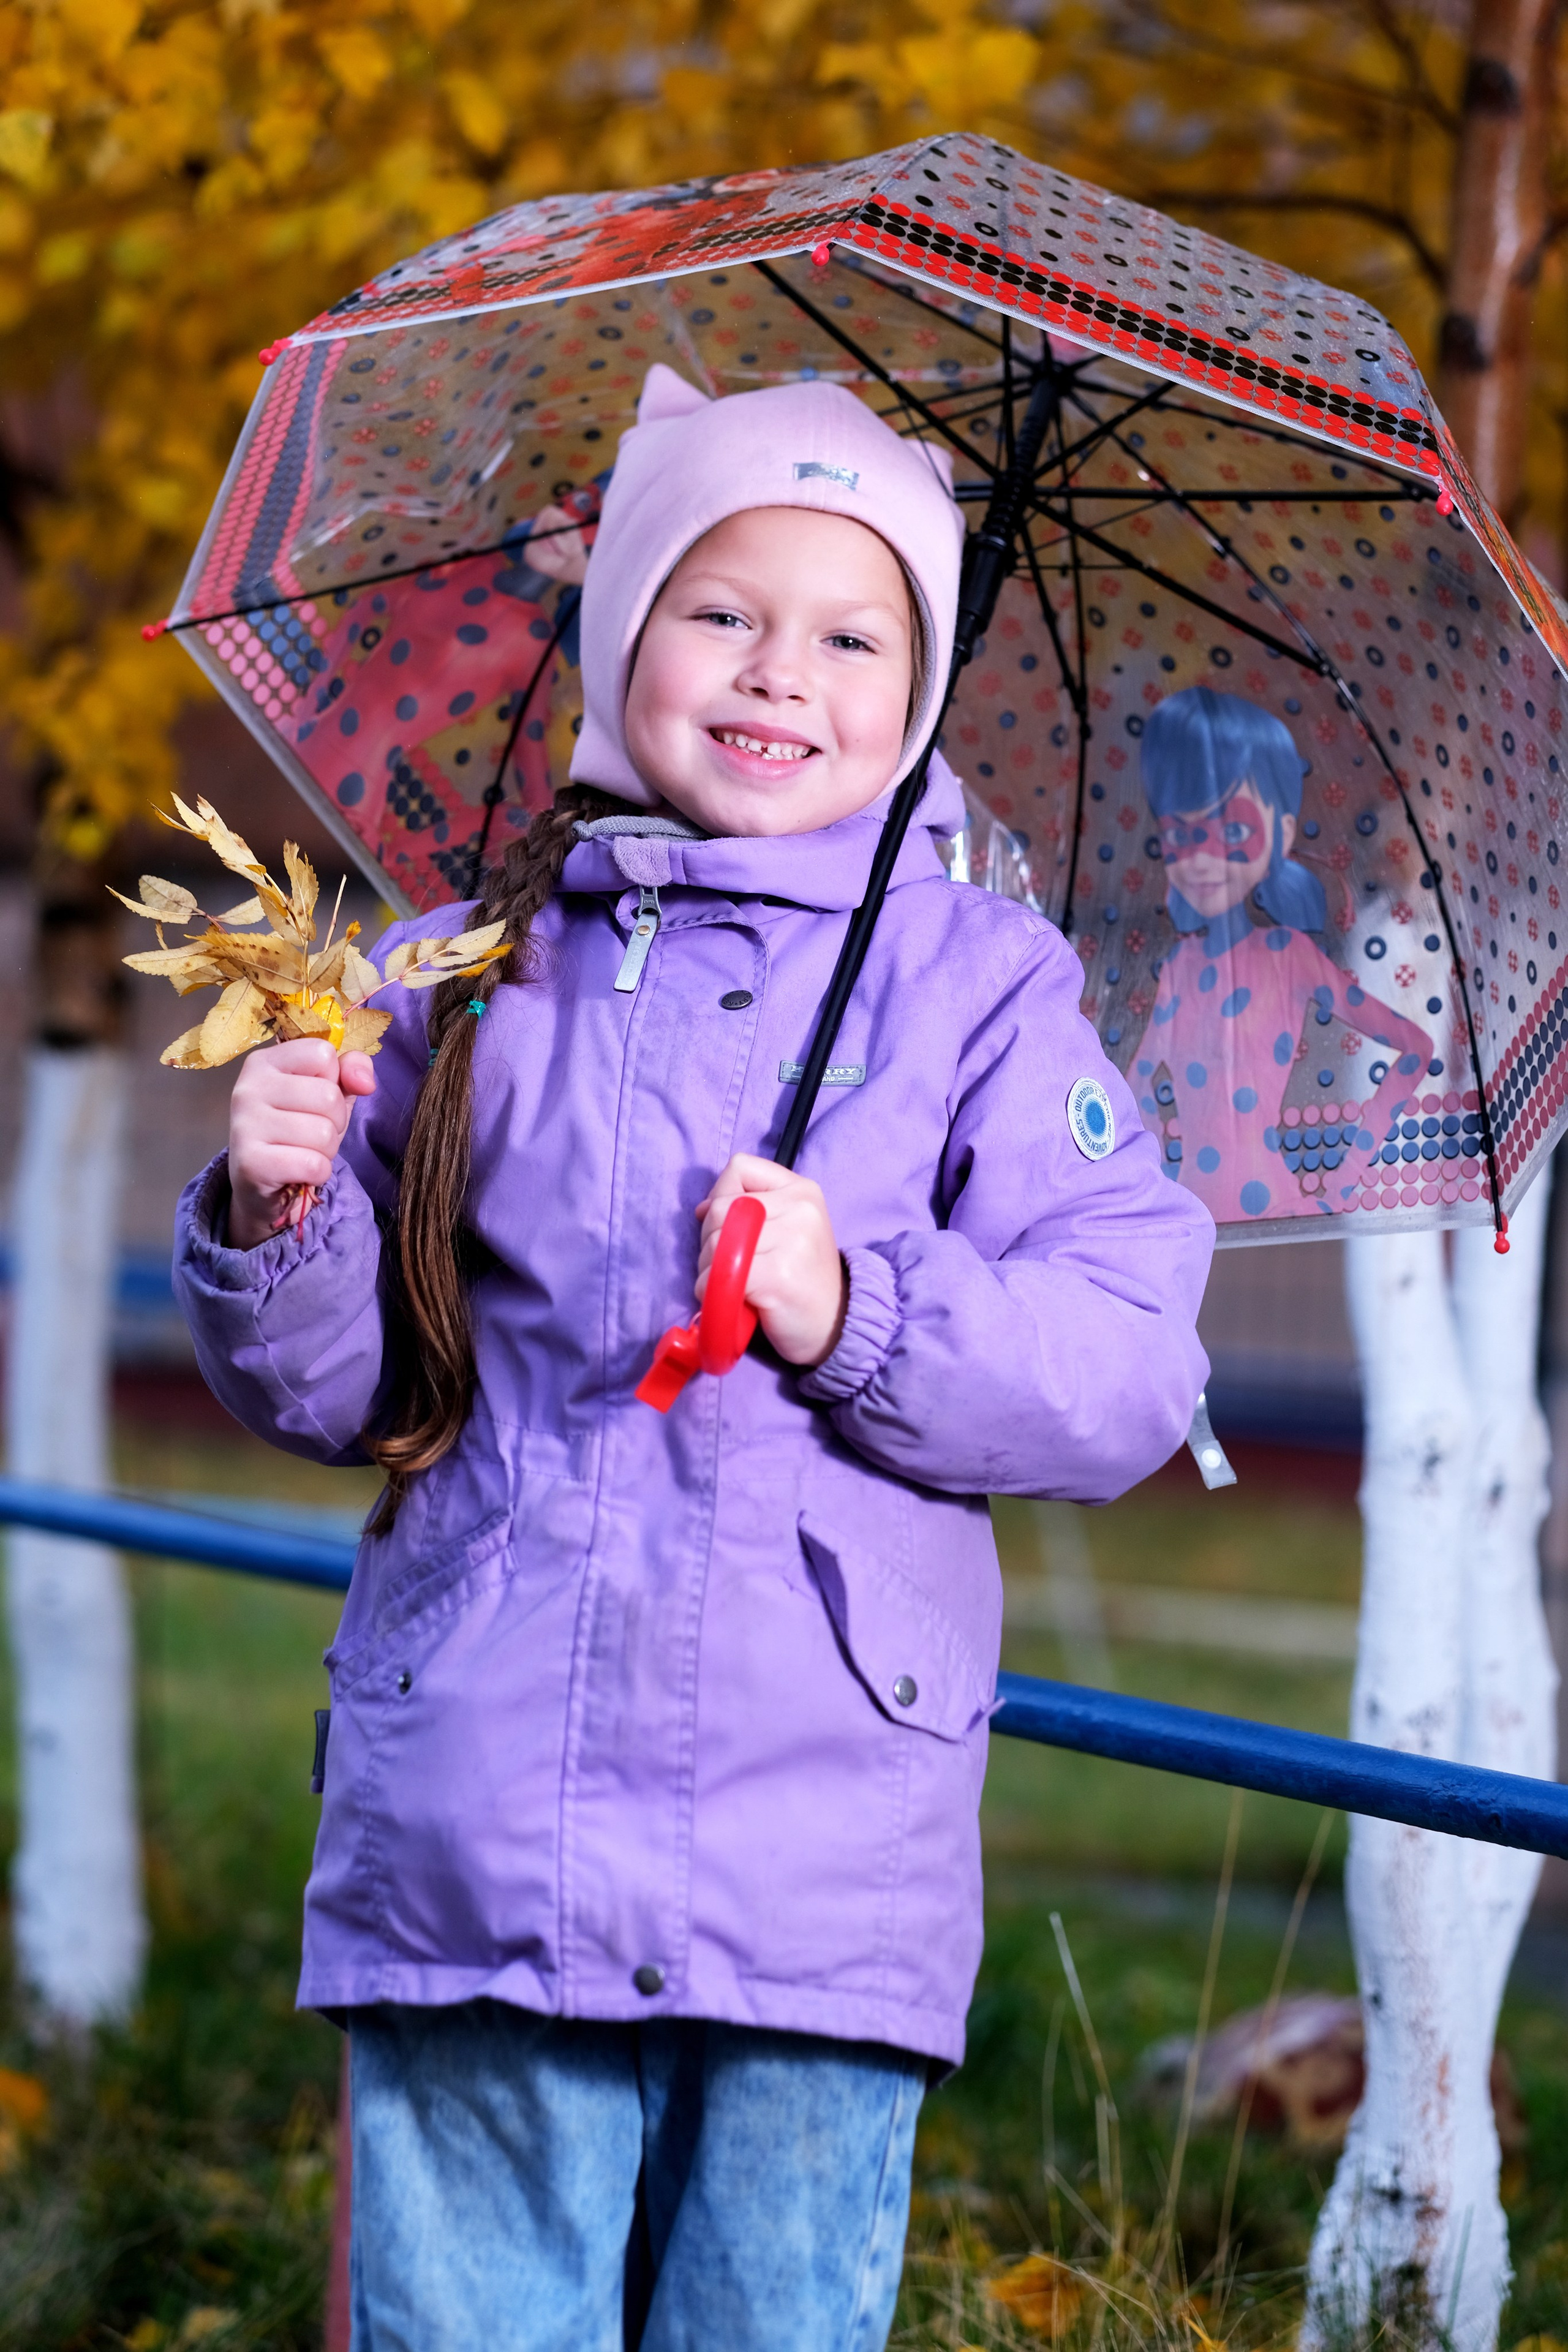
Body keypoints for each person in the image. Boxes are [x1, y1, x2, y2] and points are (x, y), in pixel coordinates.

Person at [173, 363, 1213, 2351]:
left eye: (852, 637)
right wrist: (278, 1212)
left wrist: (857, 1306)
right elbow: (339, 1392)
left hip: (818, 1862)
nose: (779, 673)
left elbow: (1124, 1361)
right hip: (481, 1815)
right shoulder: (461, 972)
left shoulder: (979, 993)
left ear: (917, 694)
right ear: (621, 629)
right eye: (721, 609)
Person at [1130, 684, 1432, 1224]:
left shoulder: (1289, 956)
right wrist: (1161, 1181)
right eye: (1181, 834)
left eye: (1233, 829)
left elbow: (1413, 1047)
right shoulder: (1179, 966)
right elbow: (1136, 1086)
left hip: (1275, 1203)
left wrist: (1343, 1181)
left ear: (1282, 831)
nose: (1204, 857)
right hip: (1184, 1217)